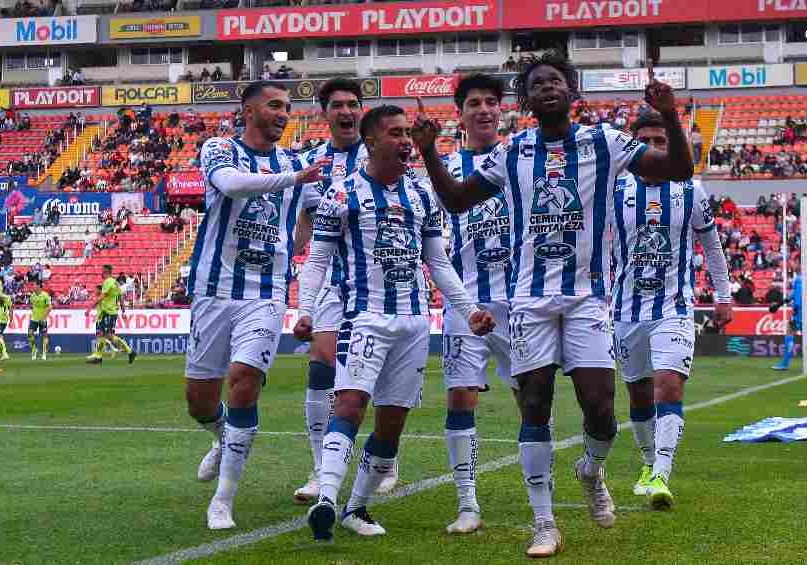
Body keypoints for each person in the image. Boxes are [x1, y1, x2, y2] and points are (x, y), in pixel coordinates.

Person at [411, 52, 694, 557]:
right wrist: (430, 152)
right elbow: (455, 200)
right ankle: (544, 523)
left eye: (556, 81)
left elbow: (677, 167)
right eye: (537, 83)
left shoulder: (603, 141)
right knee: (535, 405)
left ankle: (591, 470)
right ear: (527, 99)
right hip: (530, 300)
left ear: (572, 92)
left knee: (601, 412)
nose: (547, 88)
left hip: (588, 299)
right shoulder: (513, 152)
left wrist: (669, 114)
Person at [293, 104, 495, 543]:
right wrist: (305, 310)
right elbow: (318, 260)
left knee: (392, 422)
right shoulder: (343, 194)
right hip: (364, 317)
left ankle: (356, 507)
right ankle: (327, 498)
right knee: (349, 404)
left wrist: (468, 310)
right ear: (371, 141)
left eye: (408, 133)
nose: (406, 141)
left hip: (414, 323)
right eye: (396, 133)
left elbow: (438, 263)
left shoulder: (422, 195)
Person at [182, 81, 328, 531]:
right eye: (275, 105)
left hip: (265, 294)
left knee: (244, 381)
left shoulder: (296, 163)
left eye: (288, 107)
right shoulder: (219, 150)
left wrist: (295, 242)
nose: (285, 113)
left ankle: (223, 500)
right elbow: (231, 185)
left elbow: (315, 219)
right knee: (198, 401)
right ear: (249, 110)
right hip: (214, 289)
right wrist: (294, 179)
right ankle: (221, 436)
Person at [611, 111, 733, 511]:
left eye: (660, 141)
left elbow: (712, 246)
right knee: (639, 393)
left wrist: (724, 294)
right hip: (625, 310)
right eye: (645, 141)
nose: (653, 148)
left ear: (672, 145)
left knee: (670, 385)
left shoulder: (690, 190)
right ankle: (648, 465)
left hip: (674, 306)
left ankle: (662, 473)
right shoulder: (614, 189)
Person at [433, 74, 519, 535]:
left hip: (522, 301)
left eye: (491, 102)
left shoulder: (522, 160)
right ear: (460, 114)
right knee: (461, 397)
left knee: (533, 401)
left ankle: (537, 490)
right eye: (473, 103)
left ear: (501, 110)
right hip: (467, 301)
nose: (483, 109)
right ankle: (467, 504)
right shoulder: (445, 169)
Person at [290, 78, 379, 505]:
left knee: (367, 373)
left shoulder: (378, 153)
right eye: (338, 105)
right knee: (322, 364)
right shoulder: (308, 163)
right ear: (324, 113)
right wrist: (285, 252)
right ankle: (319, 467)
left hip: (374, 278)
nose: (347, 111)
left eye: (353, 104)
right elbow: (305, 225)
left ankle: (383, 459)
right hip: (328, 278)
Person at [86, 264, 136, 365]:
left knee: (108, 335)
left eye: (102, 271)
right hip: (110, 312)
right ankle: (98, 356)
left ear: (106, 272)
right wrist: (123, 311)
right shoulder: (115, 283)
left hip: (108, 312)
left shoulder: (108, 282)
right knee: (102, 334)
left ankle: (129, 351)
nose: (101, 273)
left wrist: (90, 307)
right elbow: (121, 297)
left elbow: (102, 297)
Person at [28, 281, 52, 361]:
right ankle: (34, 350)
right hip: (34, 319)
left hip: (43, 319)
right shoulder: (32, 295)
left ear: (38, 286)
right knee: (30, 334)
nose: (32, 286)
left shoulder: (45, 295)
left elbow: (49, 307)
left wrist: (44, 317)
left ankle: (44, 353)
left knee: (44, 335)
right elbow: (32, 305)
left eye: (34, 285)